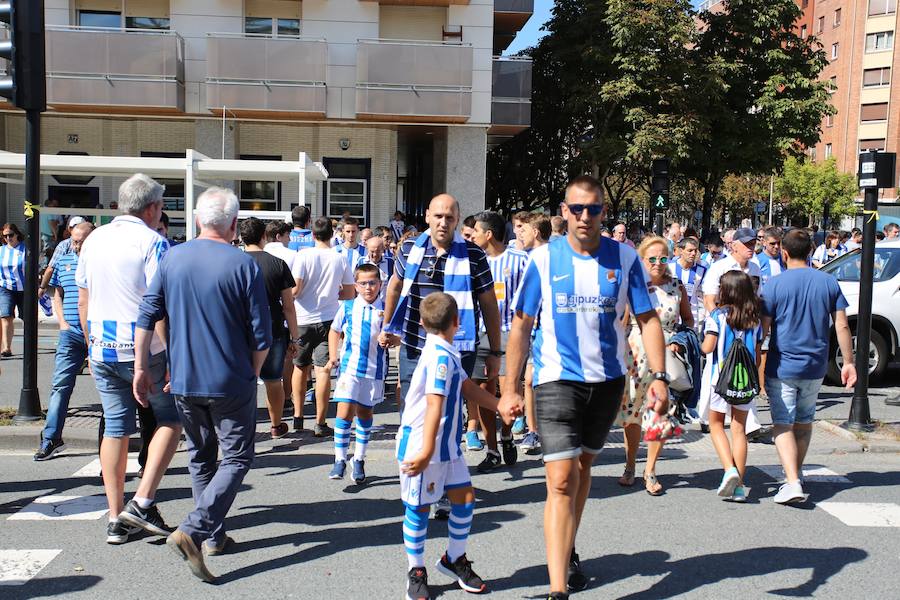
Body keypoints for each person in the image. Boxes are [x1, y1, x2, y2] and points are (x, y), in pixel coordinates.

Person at [499, 175, 670, 598]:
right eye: (576, 209)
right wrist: (510, 389)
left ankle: (568, 545)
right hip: (556, 379)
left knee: (582, 469)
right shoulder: (542, 260)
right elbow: (521, 326)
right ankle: (558, 589)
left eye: (593, 209)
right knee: (559, 479)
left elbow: (648, 320)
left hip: (608, 382)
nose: (585, 217)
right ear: (564, 212)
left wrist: (660, 378)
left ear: (603, 213)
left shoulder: (626, 258)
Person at [134, 186, 272, 582]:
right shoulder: (242, 264)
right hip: (230, 378)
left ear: (197, 219)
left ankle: (212, 534)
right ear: (233, 224)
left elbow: (147, 316)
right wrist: (252, 372)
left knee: (200, 455)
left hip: (183, 377)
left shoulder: (172, 257)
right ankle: (196, 531)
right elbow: (261, 337)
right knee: (237, 458)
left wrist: (143, 367)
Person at [75, 173, 182, 545]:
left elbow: (82, 299)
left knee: (117, 426)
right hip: (144, 348)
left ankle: (115, 515)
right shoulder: (154, 242)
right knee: (170, 418)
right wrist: (171, 353)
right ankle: (144, 499)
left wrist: (90, 345)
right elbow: (160, 306)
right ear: (152, 208)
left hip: (103, 345)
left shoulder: (93, 239)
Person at [381, 193, 502, 517]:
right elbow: (394, 286)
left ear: (458, 219)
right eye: (438, 216)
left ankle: (445, 486)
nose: (443, 222)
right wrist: (388, 323)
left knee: (448, 419)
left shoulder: (474, 255)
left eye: (450, 217)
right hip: (413, 345)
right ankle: (418, 475)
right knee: (413, 413)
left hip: (457, 348)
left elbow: (489, 304)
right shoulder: (408, 249)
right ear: (428, 218)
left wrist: (494, 350)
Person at [398, 292, 510, 600]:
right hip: (423, 442)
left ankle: (453, 558)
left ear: (421, 323)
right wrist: (423, 453)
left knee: (466, 499)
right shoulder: (439, 356)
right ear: (458, 322)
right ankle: (416, 570)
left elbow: (466, 387)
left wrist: (498, 405)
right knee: (418, 508)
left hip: (446, 444)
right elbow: (434, 405)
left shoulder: (446, 351)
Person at [761, 229, 856, 504]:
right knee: (804, 422)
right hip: (815, 365)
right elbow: (842, 325)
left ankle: (792, 482)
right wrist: (848, 362)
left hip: (783, 365)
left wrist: (754, 357)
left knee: (782, 424)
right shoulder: (828, 282)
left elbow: (764, 329)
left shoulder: (774, 285)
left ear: (784, 252)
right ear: (811, 252)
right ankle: (796, 473)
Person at [618, 236, 693, 495]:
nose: (658, 263)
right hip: (635, 355)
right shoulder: (635, 286)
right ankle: (630, 465)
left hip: (666, 357)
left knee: (660, 413)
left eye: (663, 258)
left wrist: (680, 341)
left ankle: (650, 470)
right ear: (641, 259)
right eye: (652, 258)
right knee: (632, 415)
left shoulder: (677, 286)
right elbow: (623, 322)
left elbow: (689, 321)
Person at [469, 210, 528, 472]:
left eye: (476, 233)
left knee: (507, 391)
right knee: (483, 391)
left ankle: (506, 433)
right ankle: (492, 449)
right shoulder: (474, 260)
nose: (473, 237)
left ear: (489, 234)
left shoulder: (520, 259)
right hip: (480, 333)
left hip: (510, 334)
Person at [34, 222, 95, 460]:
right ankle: (51, 438)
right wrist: (62, 322)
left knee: (108, 390)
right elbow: (57, 293)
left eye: (81, 240)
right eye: (73, 239)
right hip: (70, 334)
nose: (75, 244)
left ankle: (110, 445)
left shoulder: (101, 263)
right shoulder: (64, 260)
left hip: (98, 335)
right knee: (61, 385)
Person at [701, 271, 762, 503]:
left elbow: (708, 347)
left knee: (716, 424)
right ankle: (739, 487)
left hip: (721, 380)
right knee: (739, 429)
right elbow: (756, 355)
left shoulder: (716, 316)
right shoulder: (753, 319)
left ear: (725, 291)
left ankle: (729, 470)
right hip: (744, 379)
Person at [291, 217, 355, 435]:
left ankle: (298, 417)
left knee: (300, 367)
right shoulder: (339, 258)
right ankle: (320, 422)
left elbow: (296, 289)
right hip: (329, 317)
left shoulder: (302, 256)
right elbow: (348, 292)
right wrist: (331, 293)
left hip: (302, 318)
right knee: (323, 370)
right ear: (332, 234)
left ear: (312, 233)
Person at [326, 263, 388, 484]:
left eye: (373, 283)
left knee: (364, 414)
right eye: (363, 283)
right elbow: (334, 330)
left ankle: (359, 458)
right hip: (349, 368)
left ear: (380, 284)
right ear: (356, 285)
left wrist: (389, 339)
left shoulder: (386, 308)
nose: (368, 287)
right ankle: (339, 459)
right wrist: (333, 355)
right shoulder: (349, 306)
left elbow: (396, 335)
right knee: (343, 413)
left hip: (374, 370)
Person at [242, 217, 299, 439]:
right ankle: (276, 424)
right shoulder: (277, 264)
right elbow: (288, 306)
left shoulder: (234, 262)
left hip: (240, 331)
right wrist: (295, 338)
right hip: (272, 328)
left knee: (243, 381)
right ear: (263, 236)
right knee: (273, 380)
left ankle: (244, 427)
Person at [702, 227, 761, 316]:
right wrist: (719, 323)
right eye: (746, 244)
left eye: (753, 244)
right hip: (724, 323)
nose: (751, 247)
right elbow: (709, 300)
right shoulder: (719, 267)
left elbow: (758, 297)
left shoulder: (755, 268)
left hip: (748, 323)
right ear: (734, 246)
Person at [669, 237, 707, 330]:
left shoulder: (702, 270)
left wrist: (702, 316)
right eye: (690, 250)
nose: (693, 253)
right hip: (672, 315)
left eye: (695, 250)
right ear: (681, 251)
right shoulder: (669, 267)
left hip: (693, 316)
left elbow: (703, 295)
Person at [0, 223, 26, 357]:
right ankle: (6, 347)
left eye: (11, 235)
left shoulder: (26, 250)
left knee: (27, 318)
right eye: (5, 236)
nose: (8, 238)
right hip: (5, 287)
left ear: (17, 234)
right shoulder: (1, 251)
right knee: (6, 316)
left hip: (24, 289)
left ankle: (30, 345)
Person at [358, 235, 394, 302]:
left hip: (384, 304)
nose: (375, 254)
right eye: (372, 251)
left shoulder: (390, 262)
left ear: (382, 250)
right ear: (367, 249)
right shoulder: (361, 261)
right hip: (365, 304)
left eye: (378, 251)